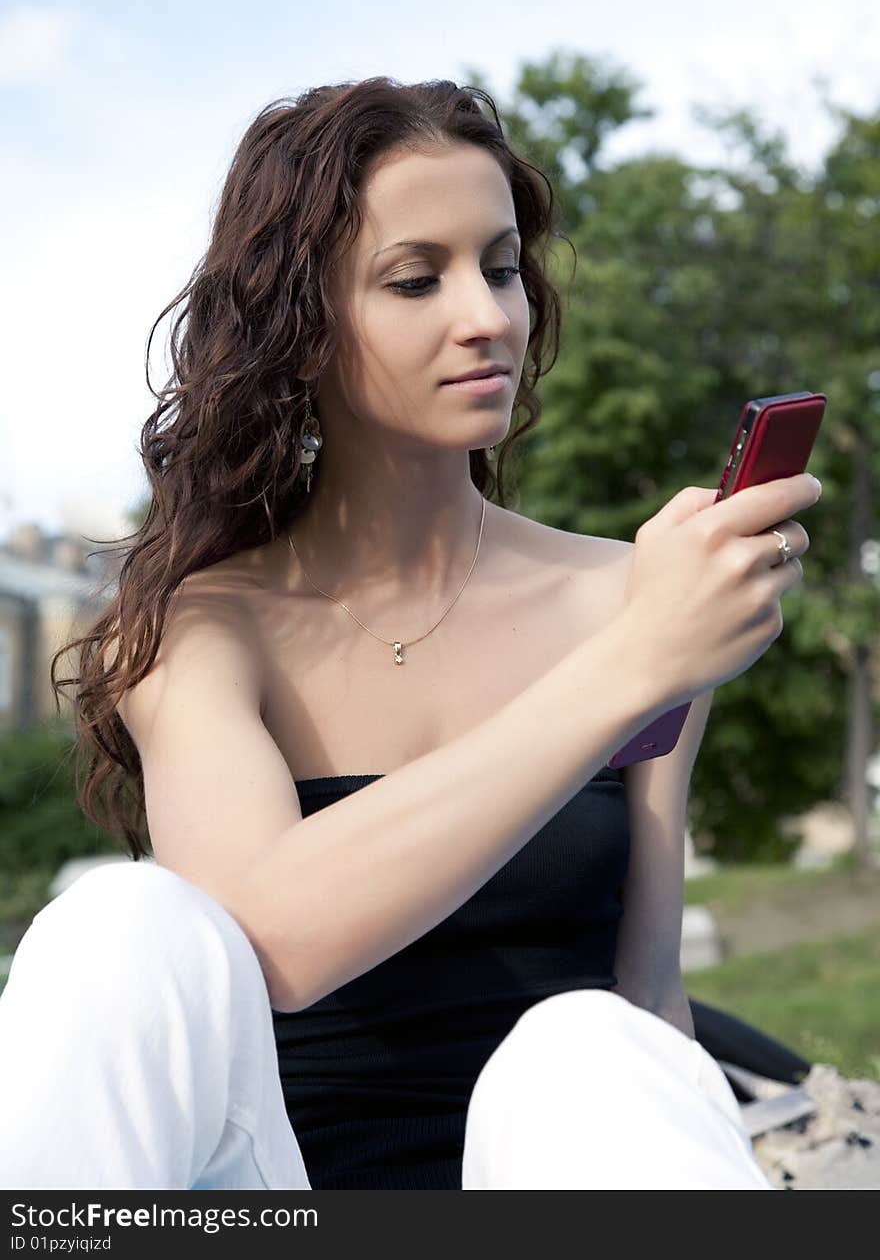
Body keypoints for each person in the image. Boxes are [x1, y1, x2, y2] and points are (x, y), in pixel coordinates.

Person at [0, 77, 820, 1191]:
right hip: (272, 1191)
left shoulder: (636, 595)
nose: (486, 315)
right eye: (414, 278)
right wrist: (631, 668)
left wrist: (653, 644)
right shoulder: (200, 627)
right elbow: (277, 936)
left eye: (499, 265)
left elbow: (649, 991)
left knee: (592, 1045)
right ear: (298, 329)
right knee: (114, 923)